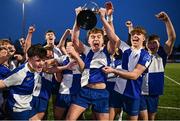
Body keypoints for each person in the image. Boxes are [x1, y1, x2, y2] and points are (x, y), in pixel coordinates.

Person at [65, 6, 119, 120]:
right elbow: (74, 39)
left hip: (101, 93)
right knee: (69, 119)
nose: (95, 39)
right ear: (88, 40)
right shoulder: (86, 50)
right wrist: (78, 17)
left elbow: (114, 39)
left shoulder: (107, 51)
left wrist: (103, 18)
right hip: (85, 91)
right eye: (93, 37)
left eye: (99, 37)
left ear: (103, 39)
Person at [102, 25, 151, 120]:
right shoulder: (125, 48)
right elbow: (112, 35)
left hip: (132, 94)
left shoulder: (146, 55)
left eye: (138, 34)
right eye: (133, 34)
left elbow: (134, 75)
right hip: (118, 91)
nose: (135, 35)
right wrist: (106, 17)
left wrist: (114, 70)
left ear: (144, 38)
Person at [139, 11, 176, 120]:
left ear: (159, 44)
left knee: (151, 118)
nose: (151, 45)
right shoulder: (142, 54)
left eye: (154, 42)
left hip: (154, 93)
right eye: (149, 43)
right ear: (145, 45)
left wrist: (166, 20)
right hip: (140, 92)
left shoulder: (162, 54)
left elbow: (172, 37)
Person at [0, 44, 47, 120]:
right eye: (38, 60)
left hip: (27, 105)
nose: (41, 63)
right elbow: (1, 84)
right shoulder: (19, 74)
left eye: (43, 60)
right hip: (18, 109)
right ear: (29, 59)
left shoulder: (35, 67)